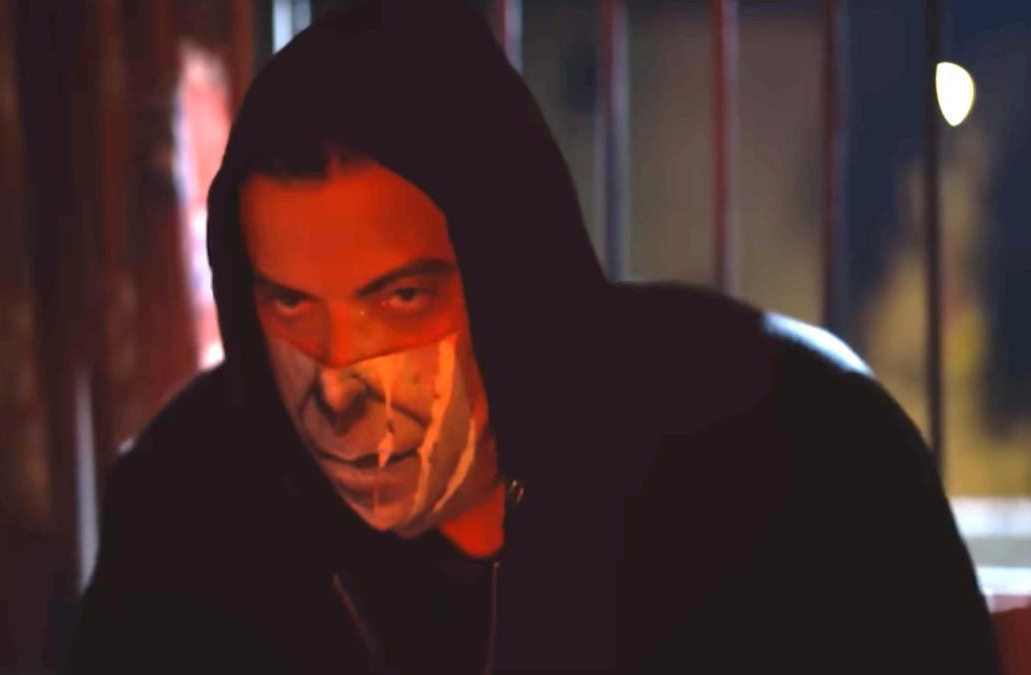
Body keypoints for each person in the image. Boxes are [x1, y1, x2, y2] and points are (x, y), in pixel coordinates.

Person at [67, 1, 1001, 673]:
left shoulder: (796, 448)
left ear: (513, 272)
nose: (339, 376)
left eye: (400, 298)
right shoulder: (191, 495)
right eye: (291, 306)